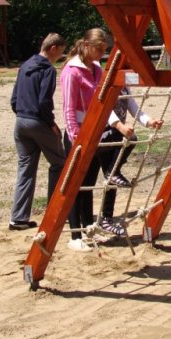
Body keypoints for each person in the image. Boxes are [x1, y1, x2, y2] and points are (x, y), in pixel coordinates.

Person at [9, 33, 67, 231]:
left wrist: (22, 115)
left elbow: (14, 99)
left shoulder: (25, 65)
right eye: (61, 51)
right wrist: (50, 123)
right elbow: (44, 101)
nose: (61, 55)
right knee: (60, 163)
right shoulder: (48, 70)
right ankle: (55, 211)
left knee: (26, 170)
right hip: (37, 121)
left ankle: (18, 218)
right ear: (53, 48)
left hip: (21, 122)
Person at [60, 28, 109, 252]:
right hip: (78, 134)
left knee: (88, 183)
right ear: (88, 45)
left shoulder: (97, 68)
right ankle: (74, 234)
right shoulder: (72, 70)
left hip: (95, 130)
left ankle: (89, 228)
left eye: (104, 50)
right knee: (74, 184)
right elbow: (68, 107)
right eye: (99, 49)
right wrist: (75, 136)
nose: (101, 53)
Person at [93, 87, 163, 236]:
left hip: (117, 134)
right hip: (105, 133)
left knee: (111, 180)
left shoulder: (125, 87)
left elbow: (134, 108)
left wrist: (150, 122)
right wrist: (120, 126)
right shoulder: (109, 85)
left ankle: (106, 219)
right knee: (131, 140)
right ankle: (113, 173)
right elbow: (106, 110)